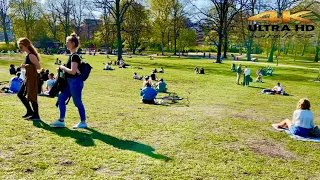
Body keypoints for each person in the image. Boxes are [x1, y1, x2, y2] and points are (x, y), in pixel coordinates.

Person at [50, 33, 87, 129]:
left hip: (75, 83)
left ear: (73, 43)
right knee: (61, 99)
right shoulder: (72, 56)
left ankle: (83, 122)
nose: (66, 43)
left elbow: (73, 71)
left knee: (77, 102)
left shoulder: (75, 56)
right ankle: (61, 121)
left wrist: (62, 67)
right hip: (70, 82)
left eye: (67, 42)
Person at [17, 37, 41, 120]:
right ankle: (30, 111)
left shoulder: (31, 55)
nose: (20, 49)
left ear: (26, 45)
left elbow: (38, 67)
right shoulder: (28, 55)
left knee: (32, 95)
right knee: (20, 94)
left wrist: (26, 66)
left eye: (21, 47)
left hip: (32, 79)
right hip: (27, 78)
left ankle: (36, 115)